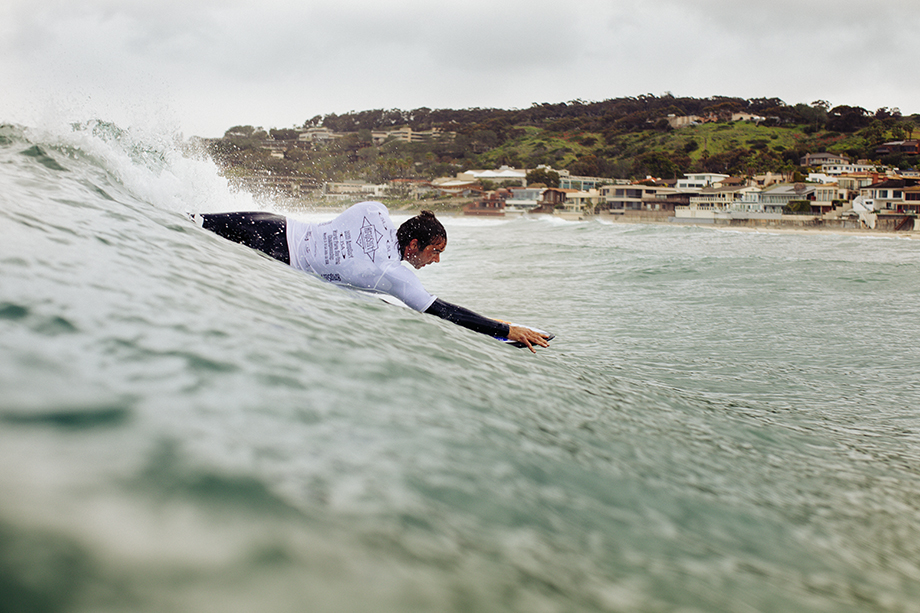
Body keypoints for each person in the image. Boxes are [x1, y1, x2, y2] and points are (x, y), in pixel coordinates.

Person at [191, 201, 551, 352]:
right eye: (435, 251)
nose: (436, 260)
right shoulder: (394, 276)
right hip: (280, 254)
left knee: (187, 223)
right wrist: (503, 330)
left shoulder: (375, 211)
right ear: (414, 245)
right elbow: (440, 311)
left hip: (270, 223)